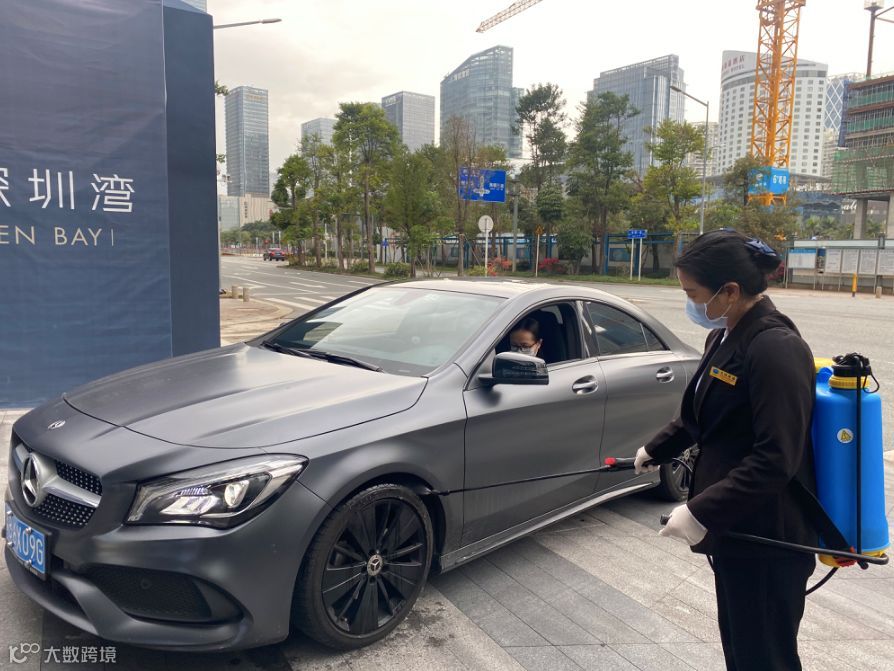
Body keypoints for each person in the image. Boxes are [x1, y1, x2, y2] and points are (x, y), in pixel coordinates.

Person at [635, 229, 817, 671]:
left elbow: (776, 459)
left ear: (730, 291)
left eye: (692, 294)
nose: (690, 303)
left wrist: (700, 511)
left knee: (766, 658)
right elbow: (701, 415)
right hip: (736, 530)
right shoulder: (724, 336)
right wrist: (655, 449)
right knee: (741, 651)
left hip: (769, 540)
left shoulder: (775, 347)